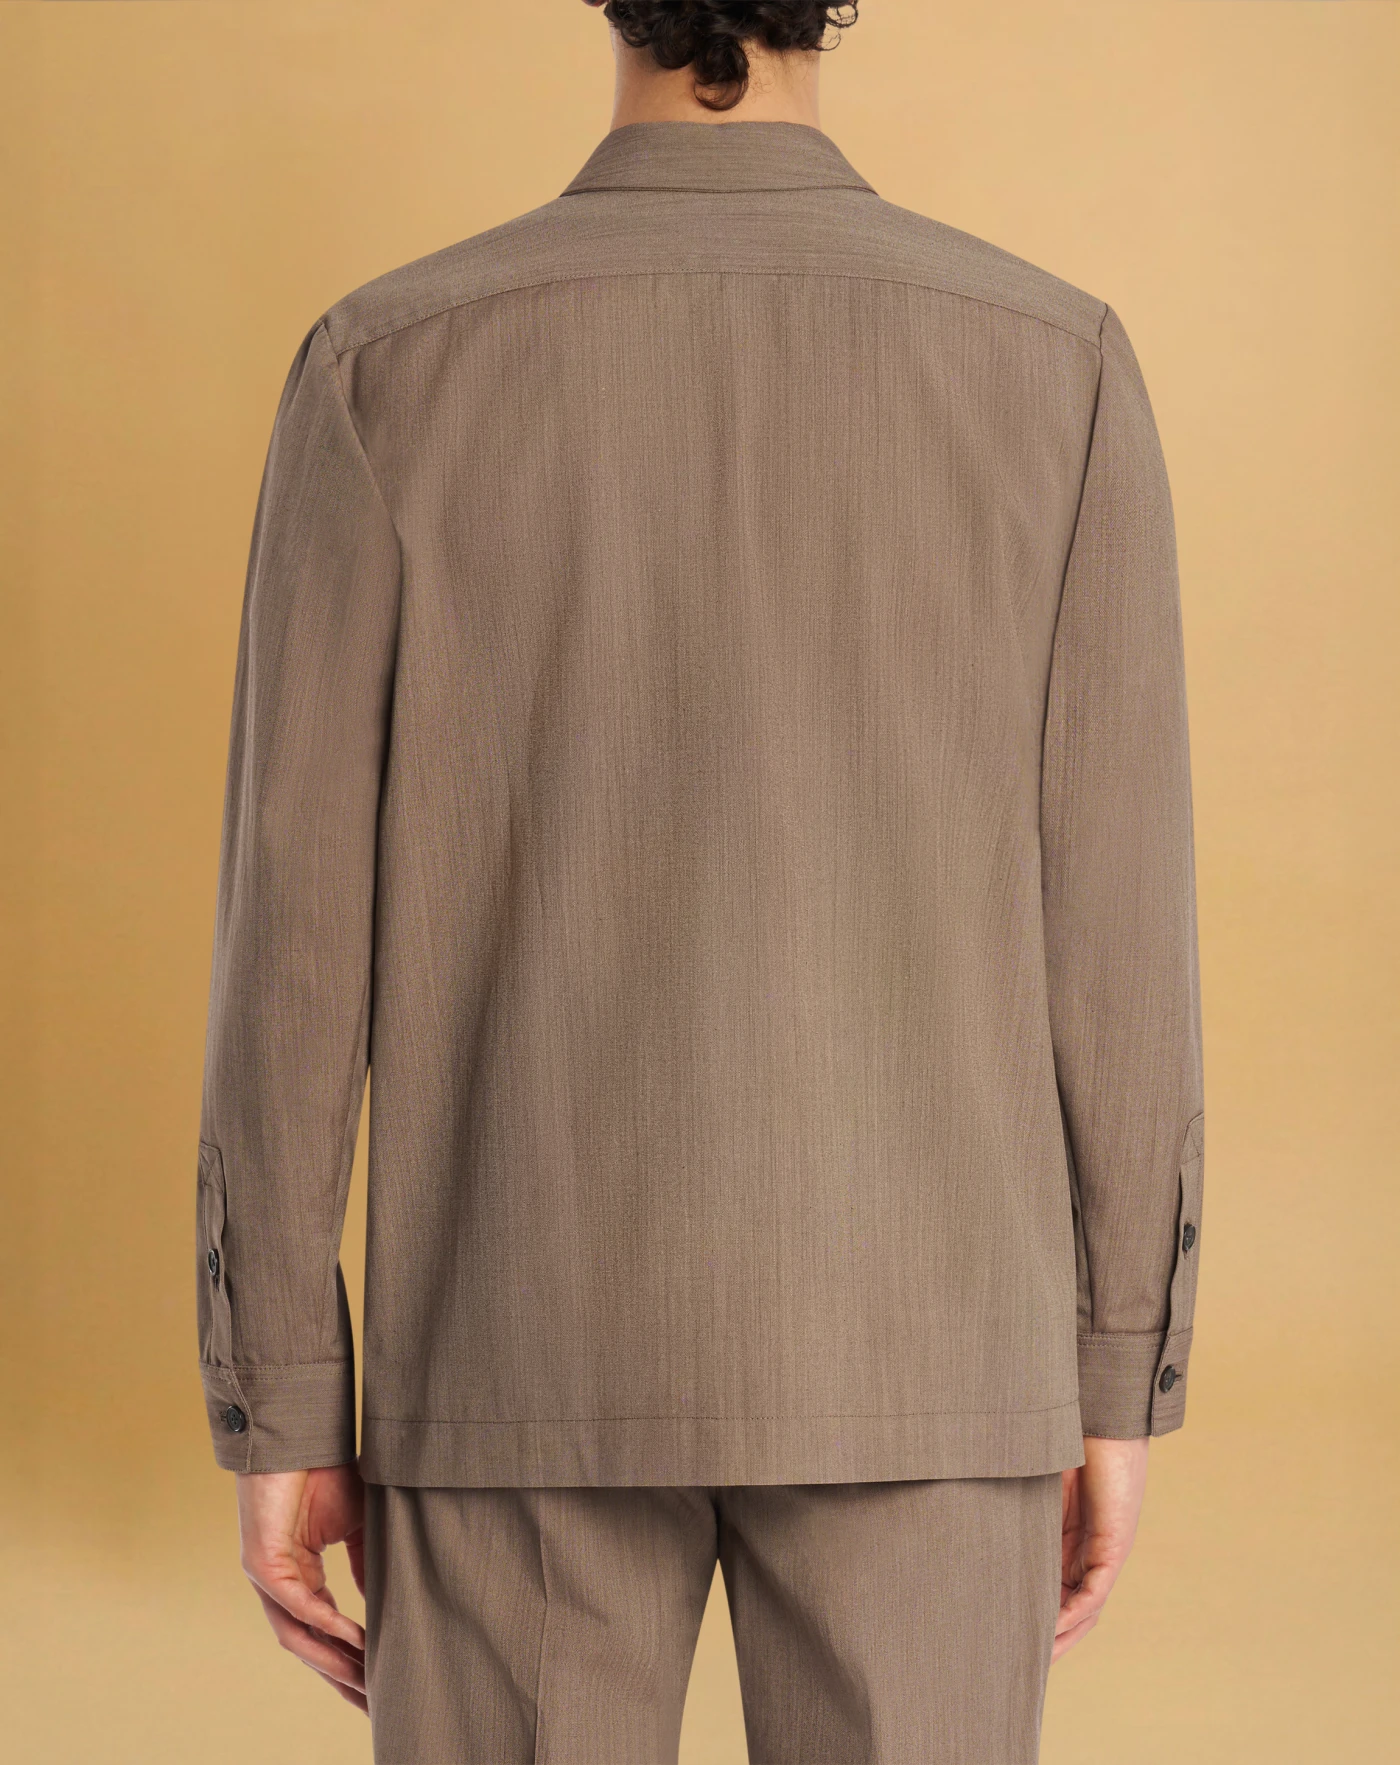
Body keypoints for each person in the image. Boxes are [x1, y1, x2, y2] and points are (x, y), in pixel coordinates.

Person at [195, 3, 1205, 1759]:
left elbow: (294, 942)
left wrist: (280, 1389)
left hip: (513, 1341)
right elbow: (1118, 936)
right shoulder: (1056, 366)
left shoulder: (386, 362)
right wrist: (1119, 1365)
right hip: (930, 1348)